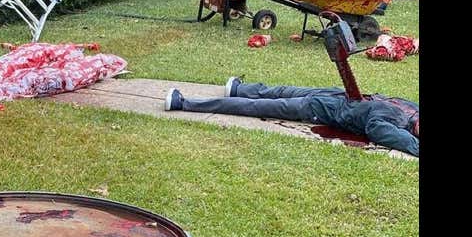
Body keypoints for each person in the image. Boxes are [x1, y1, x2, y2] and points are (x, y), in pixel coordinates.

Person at [163, 77, 419, 157]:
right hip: (341, 94)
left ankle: (184, 103)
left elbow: (376, 130)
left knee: (261, 107)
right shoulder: (413, 109)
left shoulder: (397, 128)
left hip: (325, 109)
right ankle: (240, 88)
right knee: (283, 90)